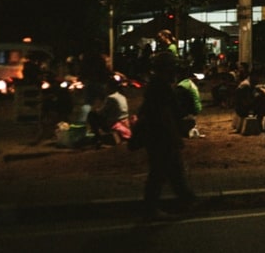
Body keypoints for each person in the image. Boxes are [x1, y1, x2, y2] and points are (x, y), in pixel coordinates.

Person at [136, 30, 197, 219]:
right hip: (161, 136)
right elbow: (164, 116)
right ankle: (151, 209)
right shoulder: (160, 87)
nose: (175, 71)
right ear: (166, 68)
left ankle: (188, 201)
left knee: (173, 170)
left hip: (160, 135)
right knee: (160, 172)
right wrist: (174, 135)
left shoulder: (157, 85)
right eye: (173, 68)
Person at [87, 78, 130, 144]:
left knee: (92, 115)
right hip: (125, 119)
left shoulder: (111, 98)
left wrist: (95, 110)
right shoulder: (122, 96)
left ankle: (98, 137)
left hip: (115, 121)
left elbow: (101, 112)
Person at [175, 71, 203, 137]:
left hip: (184, 107)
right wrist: (196, 109)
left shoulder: (184, 84)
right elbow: (194, 99)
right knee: (189, 118)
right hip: (187, 107)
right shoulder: (189, 85)